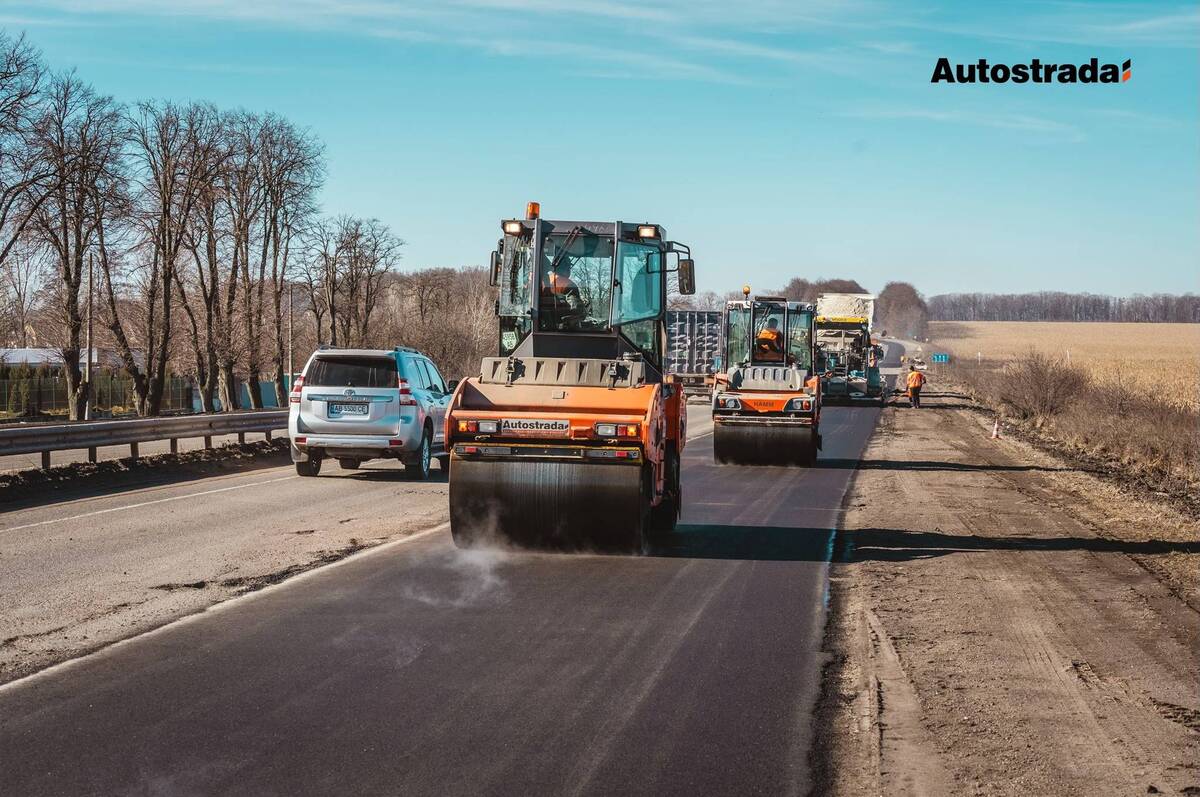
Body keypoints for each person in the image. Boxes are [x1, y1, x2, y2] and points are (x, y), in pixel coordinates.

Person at [539, 257, 587, 330]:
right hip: (561, 328)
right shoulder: (568, 285)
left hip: (543, 325)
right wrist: (583, 308)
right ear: (566, 268)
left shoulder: (543, 281)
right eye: (569, 267)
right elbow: (575, 310)